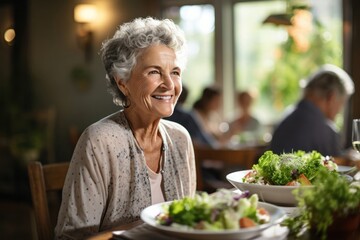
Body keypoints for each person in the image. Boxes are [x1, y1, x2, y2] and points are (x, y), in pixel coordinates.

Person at [55, 17, 196, 239]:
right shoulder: (100, 140)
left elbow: (189, 224)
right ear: (123, 82)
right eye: (154, 72)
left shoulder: (180, 138)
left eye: (175, 72)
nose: (169, 84)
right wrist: (147, 227)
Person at [270, 64, 354, 157]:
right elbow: (336, 167)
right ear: (331, 97)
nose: (339, 111)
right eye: (341, 103)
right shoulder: (325, 131)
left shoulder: (284, 120)